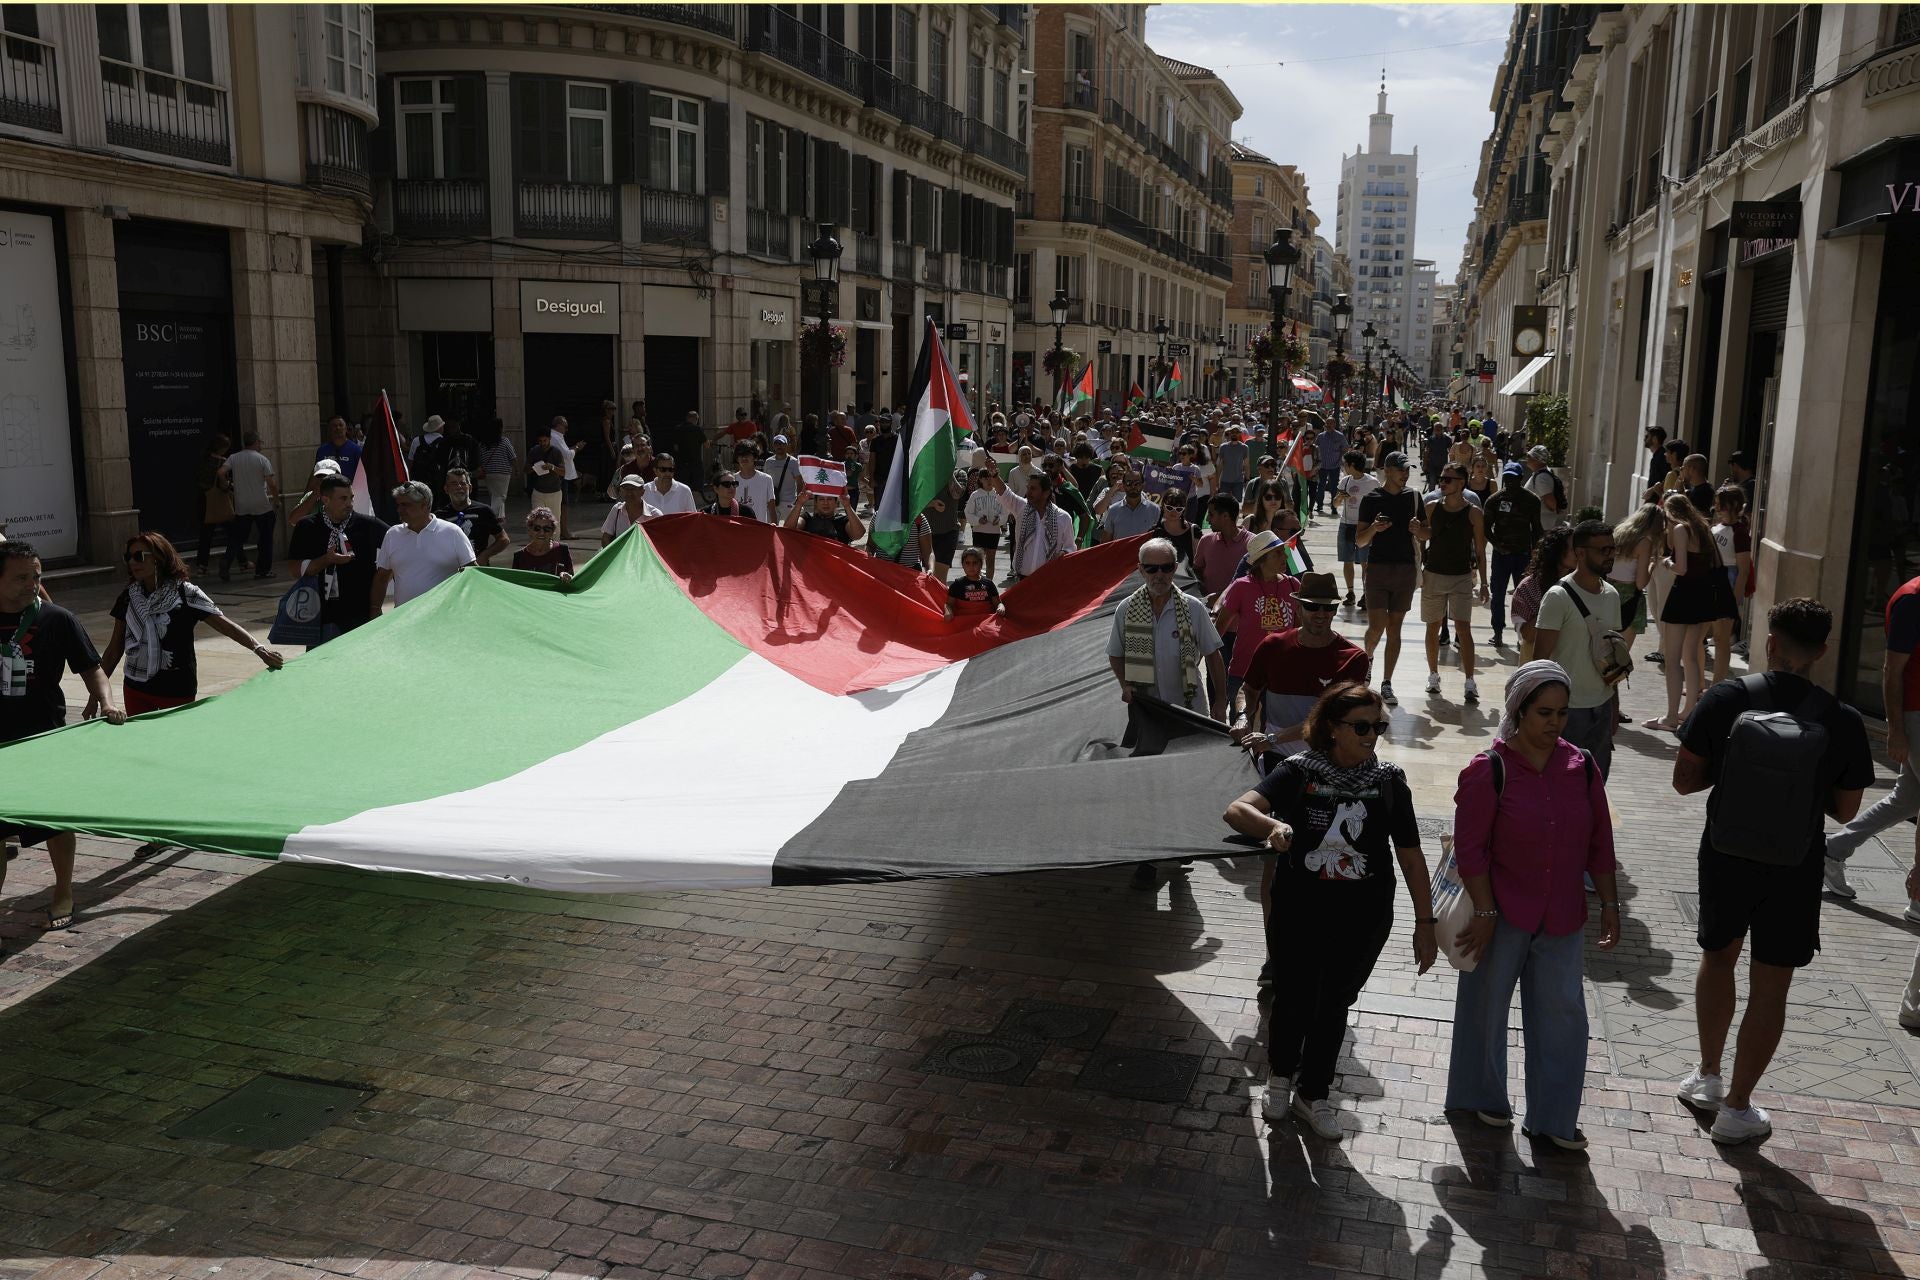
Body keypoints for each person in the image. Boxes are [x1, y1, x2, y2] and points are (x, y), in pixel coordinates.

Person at [1672, 598, 1873, 1143]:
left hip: (1725, 854)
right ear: (1824, 652)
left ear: (1770, 642)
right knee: (1772, 986)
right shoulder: (1841, 719)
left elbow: (1684, 780)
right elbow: (1848, 809)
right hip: (1795, 864)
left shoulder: (1726, 698)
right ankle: (1737, 1110)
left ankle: (1708, 1076)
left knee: (1718, 959)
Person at [1224, 682, 1436, 1140]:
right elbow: (1237, 810)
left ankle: (1314, 1094)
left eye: (1378, 726)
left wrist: (1426, 923)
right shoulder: (1299, 772)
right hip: (1299, 908)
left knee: (1335, 1003)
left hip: (1363, 915)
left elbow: (1412, 855)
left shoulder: (1388, 781)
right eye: (1361, 726)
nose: (1372, 735)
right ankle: (1280, 1078)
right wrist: (1273, 825)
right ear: (1333, 728)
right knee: (1293, 996)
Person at [1446, 663, 1620, 1150]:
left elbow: (1599, 842)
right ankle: (1483, 1099)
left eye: (1563, 713)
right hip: (1499, 917)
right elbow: (1470, 850)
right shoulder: (1489, 770)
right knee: (1485, 1012)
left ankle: (1554, 1120)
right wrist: (1483, 913)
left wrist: (1610, 903)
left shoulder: (1581, 766)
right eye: (1544, 712)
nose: (1555, 723)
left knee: (1564, 1019)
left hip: (1563, 917)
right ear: (1518, 710)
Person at [0, 541, 125, 931]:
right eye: (21, 577)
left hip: (45, 738)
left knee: (55, 821)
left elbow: (92, 668)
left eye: (36, 575)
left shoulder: (57, 618)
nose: (31, 584)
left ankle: (64, 890)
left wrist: (106, 702)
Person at [102, 531, 281, 719]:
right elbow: (114, 650)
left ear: (158, 558)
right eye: (128, 557)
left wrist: (259, 649)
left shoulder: (185, 593)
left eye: (139, 556)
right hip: (135, 687)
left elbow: (225, 626)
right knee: (142, 744)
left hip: (176, 689)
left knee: (176, 744)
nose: (132, 562)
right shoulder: (128, 597)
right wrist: (97, 695)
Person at [1825, 568, 1920, 911]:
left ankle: (1833, 851)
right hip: (1915, 715)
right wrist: (1895, 729)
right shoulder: (1912, 599)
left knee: (1907, 801)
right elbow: (1891, 670)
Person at [1529, 520, 1626, 776]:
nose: (1609, 555)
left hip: (1602, 708)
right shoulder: (1557, 597)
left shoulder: (1612, 595)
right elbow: (1539, 662)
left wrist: (1614, 706)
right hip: (1566, 712)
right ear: (1580, 553)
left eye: (1612, 549)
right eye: (1602, 550)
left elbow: (1610, 655)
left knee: (1595, 784)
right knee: (1560, 784)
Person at [1645, 493, 1721, 732]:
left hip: (1684, 596)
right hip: (1703, 596)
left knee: (1672, 658)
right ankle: (1688, 711)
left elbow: (1681, 568)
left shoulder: (1680, 529)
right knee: (1691, 655)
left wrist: (1666, 563)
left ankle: (1669, 716)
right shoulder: (1703, 528)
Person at [1414, 463, 1488, 702]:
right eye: (1442, 478)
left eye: (1448, 479)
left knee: (1463, 629)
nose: (1442, 483)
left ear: (1461, 483)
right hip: (1434, 574)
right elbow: (1425, 536)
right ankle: (1433, 675)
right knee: (1432, 627)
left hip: (1461, 577)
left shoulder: (1474, 512)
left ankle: (1469, 681)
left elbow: (1480, 550)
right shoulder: (1432, 507)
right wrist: (1417, 531)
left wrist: (1484, 582)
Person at [287, 474, 387, 643]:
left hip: (360, 614)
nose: (349, 503)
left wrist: (382, 580)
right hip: (321, 616)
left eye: (351, 497)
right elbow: (295, 570)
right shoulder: (307, 527)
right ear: (325, 500)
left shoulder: (368, 525)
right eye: (343, 498)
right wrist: (326, 560)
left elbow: (398, 546)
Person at [1356, 452, 1420, 705]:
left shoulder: (1414, 497)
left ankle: (1387, 683)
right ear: (1387, 471)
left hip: (1405, 569)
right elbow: (1360, 540)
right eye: (1401, 469)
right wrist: (1374, 528)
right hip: (1378, 569)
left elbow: (1426, 534)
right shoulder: (1371, 499)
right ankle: (1367, 661)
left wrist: (1419, 529)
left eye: (1407, 470)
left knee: (1395, 628)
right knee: (1377, 626)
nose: (1405, 474)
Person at [1213, 530, 1300, 705]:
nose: (1285, 557)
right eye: (1277, 553)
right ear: (1261, 560)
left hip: (1282, 673)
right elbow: (1217, 633)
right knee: (1241, 724)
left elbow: (1299, 631)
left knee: (1274, 728)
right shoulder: (1241, 586)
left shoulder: (1293, 584)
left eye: (1283, 551)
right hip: (1243, 672)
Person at [370, 481, 475, 613]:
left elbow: (472, 573)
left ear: (424, 505)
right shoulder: (392, 534)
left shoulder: (452, 532)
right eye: (398, 505)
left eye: (406, 505)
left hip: (444, 616)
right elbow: (382, 577)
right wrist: (375, 609)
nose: (400, 510)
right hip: (403, 618)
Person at [1484, 463, 1541, 649]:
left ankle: (1523, 634)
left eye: (1513, 478)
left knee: (1524, 597)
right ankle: (1497, 632)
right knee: (1498, 594)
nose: (1509, 482)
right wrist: (1498, 546)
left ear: (1520, 478)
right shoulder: (1494, 500)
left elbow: (1537, 529)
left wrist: (1535, 554)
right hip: (1502, 556)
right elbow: (1486, 529)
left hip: (1523, 556)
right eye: (1506, 478)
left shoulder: (1532, 500)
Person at [992, 470, 1076, 583]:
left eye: (1033, 489)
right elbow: (1004, 493)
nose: (1028, 492)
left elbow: (1070, 547)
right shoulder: (1022, 507)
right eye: (1028, 487)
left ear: (1046, 493)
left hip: (1049, 580)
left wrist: (1063, 553)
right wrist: (994, 475)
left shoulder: (1063, 517)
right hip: (1022, 579)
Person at [1510, 526, 1575, 663]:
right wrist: (1553, 603)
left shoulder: (1583, 585)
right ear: (1557, 551)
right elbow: (1527, 635)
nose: (1579, 553)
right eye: (1573, 548)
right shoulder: (1528, 588)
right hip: (1539, 669)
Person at [220, 432, 279, 582]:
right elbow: (271, 483)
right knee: (265, 538)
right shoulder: (262, 459)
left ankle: (226, 563)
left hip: (242, 505)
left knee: (237, 537)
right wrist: (276, 500)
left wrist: (228, 486)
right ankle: (262, 571)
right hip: (261, 504)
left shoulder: (234, 457)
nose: (261, 445)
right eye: (260, 442)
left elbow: (221, 473)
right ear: (256, 442)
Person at [1709, 486, 1753, 686]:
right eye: (1717, 504)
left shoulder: (1740, 532)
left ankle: (1717, 682)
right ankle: (1704, 683)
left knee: (1721, 638)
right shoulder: (1717, 527)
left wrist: (1734, 600)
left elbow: (1743, 570)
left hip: (1727, 582)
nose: (1717, 508)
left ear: (1733, 505)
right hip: (1711, 581)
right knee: (1708, 637)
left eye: (1721, 505)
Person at [1610, 503, 1661, 653]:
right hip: (1629, 596)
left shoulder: (1618, 532)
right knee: (1620, 656)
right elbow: (1640, 583)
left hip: (1607, 592)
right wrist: (1652, 566)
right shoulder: (1645, 542)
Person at [1334, 450, 1379, 613]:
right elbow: (1335, 504)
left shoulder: (1372, 482)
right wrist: (1340, 498)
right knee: (1347, 560)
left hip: (1364, 526)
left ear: (1352, 465)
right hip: (1346, 524)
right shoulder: (1345, 481)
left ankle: (1366, 595)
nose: (1344, 467)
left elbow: (1379, 503)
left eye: (1345, 464)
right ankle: (1350, 592)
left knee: (1365, 562)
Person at [436, 469, 510, 565]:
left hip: (478, 569)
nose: (459, 487)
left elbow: (503, 539)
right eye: (454, 484)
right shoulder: (440, 515)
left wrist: (485, 555)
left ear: (470, 488)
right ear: (446, 489)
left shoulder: (484, 511)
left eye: (463, 483)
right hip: (450, 570)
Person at [1192, 495, 1250, 602]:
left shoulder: (1252, 543)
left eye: (1211, 514)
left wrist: (1221, 596)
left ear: (1225, 516)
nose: (1207, 519)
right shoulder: (1205, 540)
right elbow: (1196, 570)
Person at [195, 434, 236, 572]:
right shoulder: (222, 463)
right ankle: (242, 561)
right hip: (219, 501)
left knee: (205, 535)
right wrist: (230, 486)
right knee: (234, 533)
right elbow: (223, 485)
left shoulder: (203, 459)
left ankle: (202, 565)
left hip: (205, 501)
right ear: (222, 448)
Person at [511, 507, 573, 586]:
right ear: (529, 530)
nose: (541, 533)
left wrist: (567, 576)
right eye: (537, 528)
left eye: (547, 529)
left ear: (553, 531)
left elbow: (572, 578)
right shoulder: (519, 556)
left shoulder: (562, 550)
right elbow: (515, 585)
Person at [527, 427, 570, 539]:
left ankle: (555, 545)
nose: (543, 443)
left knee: (555, 520)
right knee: (536, 520)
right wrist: (534, 467)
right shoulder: (534, 451)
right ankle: (537, 542)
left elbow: (563, 472)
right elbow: (525, 470)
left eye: (545, 441)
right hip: (538, 491)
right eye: (540, 441)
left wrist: (552, 467)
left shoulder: (556, 452)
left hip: (554, 492)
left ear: (549, 439)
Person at [1099, 468, 1161, 543]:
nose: (1133, 486)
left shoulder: (1155, 510)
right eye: (1129, 483)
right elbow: (1105, 542)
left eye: (1137, 483)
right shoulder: (1113, 510)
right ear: (1123, 485)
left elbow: (1159, 540)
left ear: (1143, 485)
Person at [785, 488, 865, 544]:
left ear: (836, 502)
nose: (825, 503)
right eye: (821, 499)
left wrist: (848, 506)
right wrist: (799, 503)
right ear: (816, 502)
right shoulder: (807, 518)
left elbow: (858, 535)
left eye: (830, 499)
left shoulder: (843, 521)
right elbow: (787, 529)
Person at [477, 421, 518, 521]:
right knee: (500, 496)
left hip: (489, 473)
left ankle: (500, 516)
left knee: (495, 495)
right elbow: (512, 456)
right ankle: (492, 516)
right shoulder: (504, 441)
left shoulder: (483, 443)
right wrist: (516, 469)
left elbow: (480, 458)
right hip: (503, 473)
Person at [409, 415, 455, 503]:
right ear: (440, 428)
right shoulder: (445, 442)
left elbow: (411, 462)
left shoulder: (416, 440)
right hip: (438, 481)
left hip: (419, 478)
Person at [945, 548, 1000, 619]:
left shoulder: (989, 583)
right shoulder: (957, 584)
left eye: (975, 563)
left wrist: (1001, 608)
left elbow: (997, 603)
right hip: (964, 623)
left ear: (981, 564)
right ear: (962, 565)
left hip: (985, 623)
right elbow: (949, 604)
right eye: (967, 563)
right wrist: (948, 612)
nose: (971, 566)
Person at [638, 452, 697, 517]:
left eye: (671, 469)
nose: (667, 473)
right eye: (663, 470)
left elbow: (692, 518)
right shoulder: (644, 490)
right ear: (655, 470)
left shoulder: (684, 491)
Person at [602, 475, 654, 545]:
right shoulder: (617, 509)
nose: (629, 493)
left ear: (642, 491)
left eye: (633, 489)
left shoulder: (654, 514)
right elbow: (606, 538)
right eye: (626, 489)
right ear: (621, 491)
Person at [733, 444, 776, 522]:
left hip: (759, 528)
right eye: (741, 455)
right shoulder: (732, 480)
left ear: (755, 457)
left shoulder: (766, 479)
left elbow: (772, 509)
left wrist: (775, 529)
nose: (744, 458)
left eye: (747, 455)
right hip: (738, 529)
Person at [765, 435, 802, 521]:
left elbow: (799, 482)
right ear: (773, 446)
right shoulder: (768, 462)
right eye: (776, 444)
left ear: (786, 445)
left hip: (789, 502)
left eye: (781, 443)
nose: (779, 446)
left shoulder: (794, 462)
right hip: (772, 501)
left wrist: (798, 502)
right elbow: (765, 481)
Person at [1523, 446, 1562, 529]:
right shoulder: (1542, 473)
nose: (1527, 458)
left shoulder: (1541, 477)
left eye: (1529, 456)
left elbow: (1551, 502)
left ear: (1537, 459)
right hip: (1539, 523)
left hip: (1541, 525)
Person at [316, 416, 363, 480]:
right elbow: (316, 475)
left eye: (341, 425)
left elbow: (362, 475)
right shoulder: (322, 450)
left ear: (346, 429)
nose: (338, 428)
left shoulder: (356, 450)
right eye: (334, 426)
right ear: (329, 429)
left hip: (349, 489)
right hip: (327, 488)